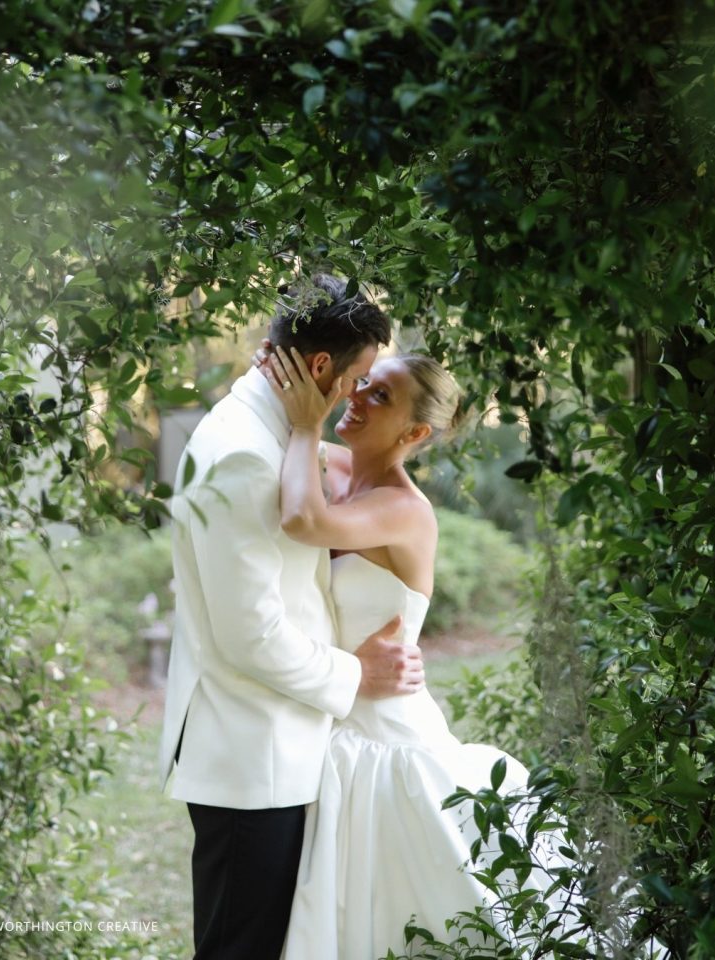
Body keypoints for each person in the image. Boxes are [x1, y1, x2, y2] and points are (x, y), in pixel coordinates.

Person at [261, 346, 579, 959]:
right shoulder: (338, 470)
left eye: (381, 396)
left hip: (384, 737)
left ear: (414, 434)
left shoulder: (404, 510)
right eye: (363, 382)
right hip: (333, 715)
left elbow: (302, 521)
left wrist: (305, 424)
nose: (357, 396)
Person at [159, 275, 426, 960]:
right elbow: (250, 633)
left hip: (282, 746)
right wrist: (356, 675)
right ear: (320, 367)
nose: (355, 395)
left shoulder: (268, 430)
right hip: (253, 757)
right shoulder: (245, 454)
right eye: (357, 379)